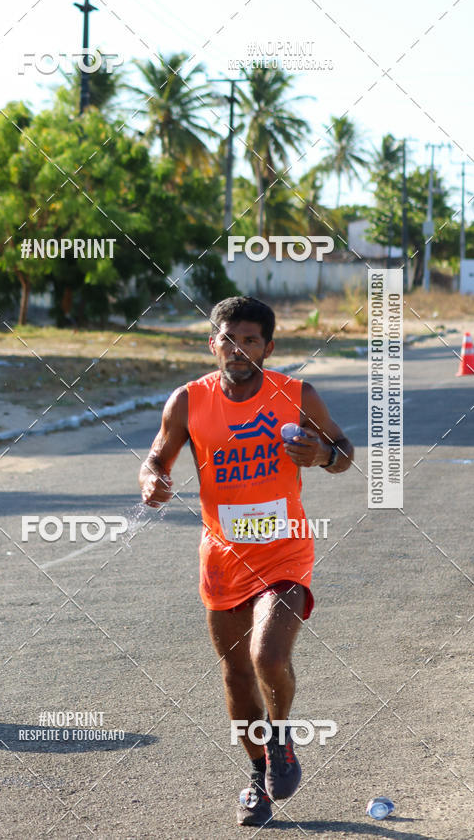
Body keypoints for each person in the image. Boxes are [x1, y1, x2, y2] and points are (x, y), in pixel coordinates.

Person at [139, 296, 354, 827]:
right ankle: (258, 779)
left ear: (269, 347)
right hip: (222, 558)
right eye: (228, 339)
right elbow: (156, 457)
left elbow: (344, 450)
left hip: (285, 550)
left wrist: (323, 456)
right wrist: (152, 481)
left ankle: (279, 738)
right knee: (236, 678)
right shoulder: (188, 402)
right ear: (212, 344)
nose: (238, 350)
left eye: (250, 340)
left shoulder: (296, 394)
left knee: (267, 657)